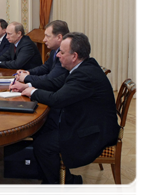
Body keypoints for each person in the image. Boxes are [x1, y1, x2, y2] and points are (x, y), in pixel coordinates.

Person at [19, 32, 119, 195]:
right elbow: (61, 92)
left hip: (93, 132)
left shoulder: (84, 74)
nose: (57, 55)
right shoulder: (84, 67)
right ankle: (51, 173)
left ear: (75, 56)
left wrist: (32, 91)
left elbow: (58, 99)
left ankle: (59, 184)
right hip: (86, 120)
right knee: (42, 128)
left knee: (43, 144)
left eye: (62, 52)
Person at [15, 20, 70, 84]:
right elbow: (46, 67)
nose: (44, 40)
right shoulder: (55, 49)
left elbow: (50, 78)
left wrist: (26, 77)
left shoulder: (65, 54)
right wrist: (28, 72)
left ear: (59, 37)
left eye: (48, 36)